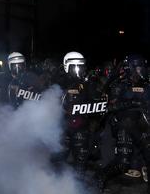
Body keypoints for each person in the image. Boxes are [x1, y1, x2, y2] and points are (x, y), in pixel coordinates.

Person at [97, 55, 150, 193]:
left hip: (143, 125)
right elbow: (111, 106)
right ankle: (102, 177)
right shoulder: (120, 85)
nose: (141, 70)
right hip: (125, 125)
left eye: (142, 68)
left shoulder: (147, 85)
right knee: (123, 163)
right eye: (139, 67)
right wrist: (132, 103)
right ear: (131, 68)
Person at [57, 52, 107, 180]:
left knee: (81, 160)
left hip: (81, 127)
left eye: (81, 67)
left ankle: (77, 187)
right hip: (62, 128)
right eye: (76, 67)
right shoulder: (59, 82)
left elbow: (96, 103)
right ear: (67, 67)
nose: (79, 71)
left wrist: (99, 99)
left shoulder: (87, 84)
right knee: (58, 159)